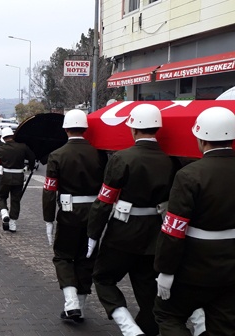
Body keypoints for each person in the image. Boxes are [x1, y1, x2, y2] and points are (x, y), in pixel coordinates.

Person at [87, 104, 175, 336]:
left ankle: (128, 327)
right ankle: (145, 328)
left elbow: (105, 200)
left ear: (133, 129)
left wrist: (93, 233)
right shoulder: (170, 161)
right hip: (155, 234)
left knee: (103, 278)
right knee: (147, 287)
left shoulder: (121, 158)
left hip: (122, 233)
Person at [152, 107, 235, 336]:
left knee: (167, 314)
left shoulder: (189, 175)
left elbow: (173, 230)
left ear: (200, 139)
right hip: (230, 269)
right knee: (224, 326)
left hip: (194, 268)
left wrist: (165, 271)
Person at [42, 109, 106, 322]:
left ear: (65, 129)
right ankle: (80, 306)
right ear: (85, 128)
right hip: (94, 212)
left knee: (63, 255)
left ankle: (71, 303)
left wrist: (48, 218)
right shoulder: (99, 153)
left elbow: (50, 191)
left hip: (69, 214)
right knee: (86, 258)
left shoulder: (57, 155)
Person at [0, 127, 36, 232]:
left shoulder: (1, 148)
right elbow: (32, 158)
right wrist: (31, 167)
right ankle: (13, 223)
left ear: (3, 137)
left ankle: (4, 213)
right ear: (12, 135)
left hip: (6, 176)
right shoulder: (23, 147)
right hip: (19, 177)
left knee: (1, 196)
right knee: (15, 200)